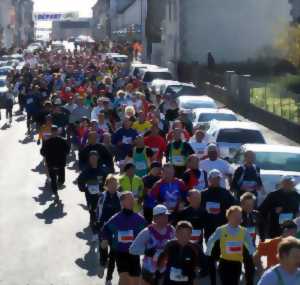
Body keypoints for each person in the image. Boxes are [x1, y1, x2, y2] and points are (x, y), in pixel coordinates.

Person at [101, 192, 147, 285]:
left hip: (134, 253)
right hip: (121, 252)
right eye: (129, 199)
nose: (131, 201)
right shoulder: (117, 218)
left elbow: (148, 231)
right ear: (122, 202)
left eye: (132, 199)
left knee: (135, 281)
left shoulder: (139, 218)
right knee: (124, 278)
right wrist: (105, 239)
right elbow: (106, 229)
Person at [200, 169, 236, 285]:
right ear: (209, 180)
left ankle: (223, 272)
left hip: (223, 228)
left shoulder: (226, 193)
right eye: (213, 178)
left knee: (222, 252)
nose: (216, 180)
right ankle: (210, 275)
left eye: (218, 178)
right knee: (210, 252)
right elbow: (200, 210)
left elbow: (234, 208)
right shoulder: (203, 194)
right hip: (209, 228)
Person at [206, 206, 256, 285]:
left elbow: (250, 244)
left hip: (237, 263)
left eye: (239, 217)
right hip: (224, 262)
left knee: (234, 282)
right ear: (228, 217)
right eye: (235, 216)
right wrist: (208, 253)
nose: (238, 219)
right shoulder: (221, 230)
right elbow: (211, 240)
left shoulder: (244, 231)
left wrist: (253, 254)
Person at [129, 205, 175, 285]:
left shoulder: (171, 230)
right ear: (156, 218)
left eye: (166, 216)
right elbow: (132, 249)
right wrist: (147, 251)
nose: (166, 218)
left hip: (166, 269)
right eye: (163, 216)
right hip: (149, 271)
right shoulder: (147, 232)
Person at [173, 189, 208, 276]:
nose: (197, 200)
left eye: (199, 198)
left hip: (198, 239)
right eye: (195, 198)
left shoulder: (204, 211)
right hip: (185, 239)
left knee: (199, 254)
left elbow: (208, 225)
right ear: (188, 199)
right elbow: (175, 224)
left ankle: (203, 270)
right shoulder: (184, 212)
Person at [77, 151, 109, 241]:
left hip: (102, 196)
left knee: (101, 213)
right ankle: (95, 231)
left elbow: (108, 181)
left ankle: (101, 229)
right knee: (92, 213)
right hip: (90, 197)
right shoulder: (86, 171)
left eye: (95, 157)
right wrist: (84, 189)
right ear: (89, 159)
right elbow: (80, 181)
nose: (93, 159)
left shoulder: (103, 170)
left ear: (98, 158)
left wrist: (105, 190)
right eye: (91, 158)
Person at [96, 174, 121, 285]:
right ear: (106, 185)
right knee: (103, 247)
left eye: (115, 184)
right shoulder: (102, 196)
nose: (113, 186)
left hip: (117, 229)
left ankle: (108, 278)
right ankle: (102, 263)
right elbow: (98, 212)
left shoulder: (120, 196)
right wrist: (98, 224)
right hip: (104, 227)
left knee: (113, 255)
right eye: (111, 184)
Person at [157, 221, 198, 285]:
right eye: (181, 234)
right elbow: (160, 263)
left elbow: (197, 267)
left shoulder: (194, 247)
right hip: (170, 281)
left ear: (190, 234)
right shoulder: (169, 245)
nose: (184, 237)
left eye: (187, 234)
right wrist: (160, 273)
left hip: (187, 281)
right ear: (176, 234)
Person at [240, 192, 259, 285]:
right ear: (242, 204)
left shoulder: (255, 214)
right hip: (237, 247)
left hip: (250, 247)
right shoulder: (236, 215)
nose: (249, 207)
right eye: (247, 205)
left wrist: (262, 239)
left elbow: (261, 227)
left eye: (251, 205)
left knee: (250, 269)